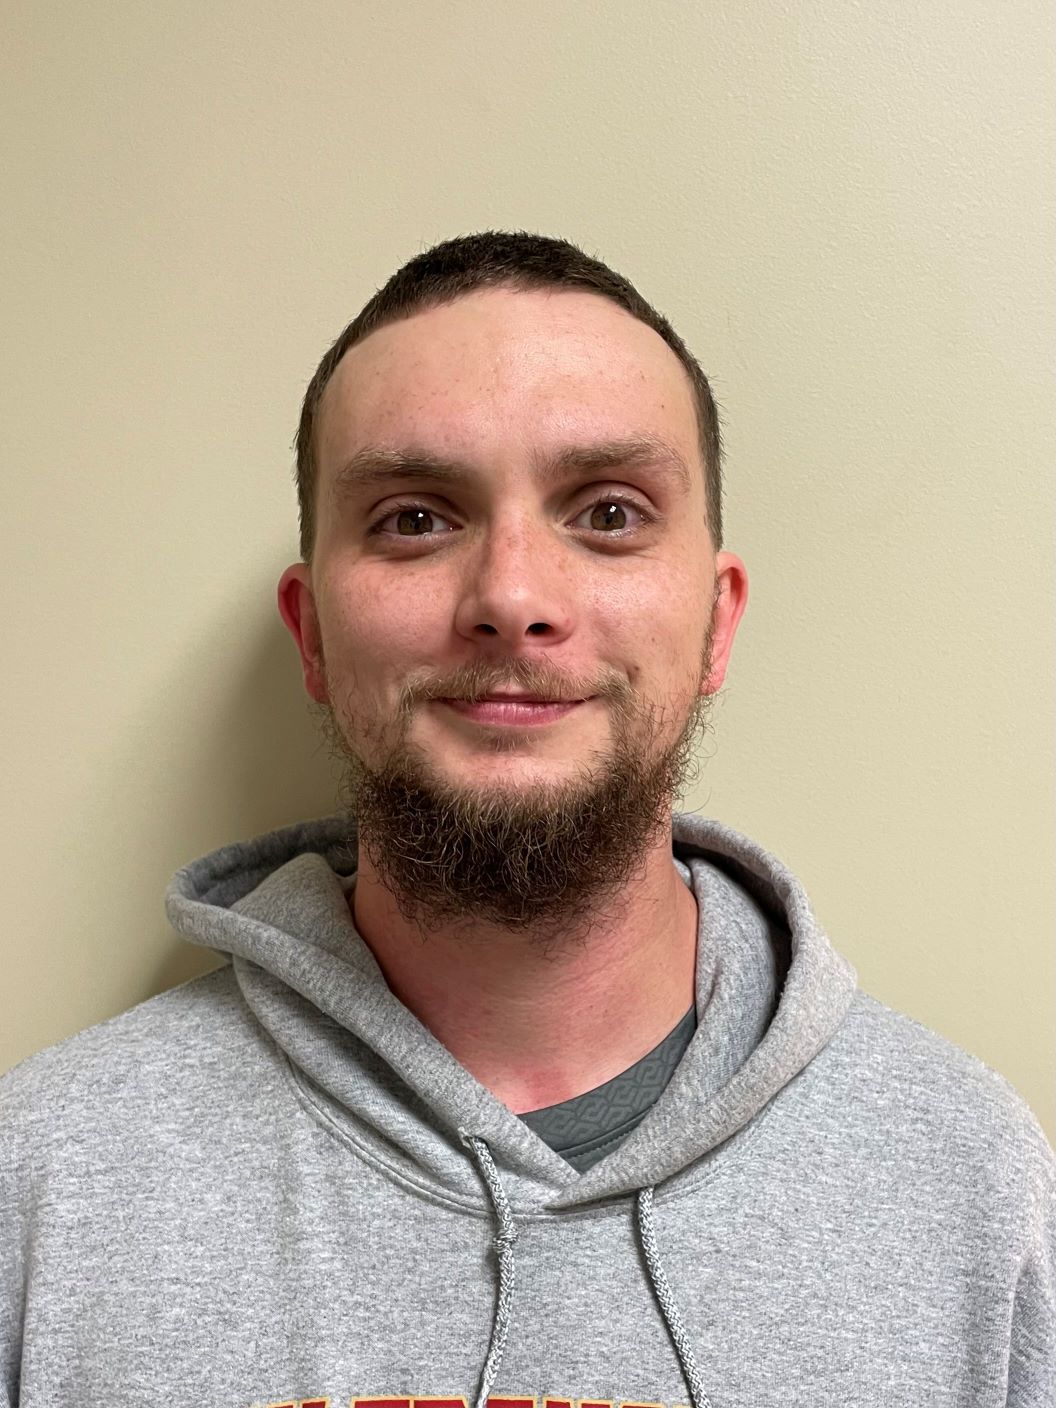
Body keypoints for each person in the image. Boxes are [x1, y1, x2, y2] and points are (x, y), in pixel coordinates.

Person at [1, 232, 1052, 1408]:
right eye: (414, 518)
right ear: (313, 634)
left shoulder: (972, 1188)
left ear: (715, 623)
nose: (511, 596)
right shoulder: (44, 1190)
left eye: (607, 512)